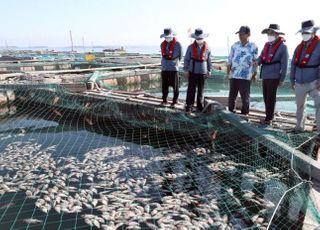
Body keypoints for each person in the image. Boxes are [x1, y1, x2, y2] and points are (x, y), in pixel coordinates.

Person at [290, 20, 320, 133]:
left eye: (307, 32)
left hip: (314, 82)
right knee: (300, 106)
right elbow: (293, 64)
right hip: (299, 82)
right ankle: (299, 127)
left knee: (319, 104)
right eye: (303, 33)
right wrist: (292, 79)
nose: (304, 35)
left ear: (313, 32)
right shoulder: (298, 47)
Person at [258, 24, 289, 125]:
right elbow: (261, 57)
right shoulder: (267, 45)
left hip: (274, 75)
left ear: (276, 34)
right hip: (265, 75)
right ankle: (268, 115)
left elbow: (285, 64)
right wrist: (256, 62)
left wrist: (282, 78)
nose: (269, 35)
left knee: (271, 97)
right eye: (268, 33)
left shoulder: (283, 47)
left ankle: (269, 118)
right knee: (266, 96)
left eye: (271, 33)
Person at [227, 26, 258, 115]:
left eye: (242, 34)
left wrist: (254, 73)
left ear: (249, 34)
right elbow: (230, 60)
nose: (240, 36)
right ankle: (231, 113)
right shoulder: (235, 46)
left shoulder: (253, 47)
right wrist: (229, 73)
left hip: (246, 76)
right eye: (239, 34)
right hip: (234, 75)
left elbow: (255, 61)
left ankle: (244, 114)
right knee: (232, 96)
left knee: (245, 97)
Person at [184, 28, 212, 112]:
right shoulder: (190, 47)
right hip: (192, 71)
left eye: (200, 38)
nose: (199, 40)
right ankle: (189, 105)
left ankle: (200, 106)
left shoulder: (208, 48)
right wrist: (186, 70)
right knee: (191, 89)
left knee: (201, 90)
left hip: (203, 71)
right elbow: (186, 59)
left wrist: (209, 70)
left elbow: (209, 60)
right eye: (197, 38)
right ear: (195, 38)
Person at [160, 28, 183, 107]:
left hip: (173, 68)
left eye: (168, 37)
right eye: (166, 37)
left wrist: (175, 63)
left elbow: (180, 56)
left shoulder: (178, 44)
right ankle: (164, 100)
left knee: (175, 86)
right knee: (164, 85)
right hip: (165, 68)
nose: (167, 38)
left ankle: (175, 101)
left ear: (172, 36)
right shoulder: (162, 44)